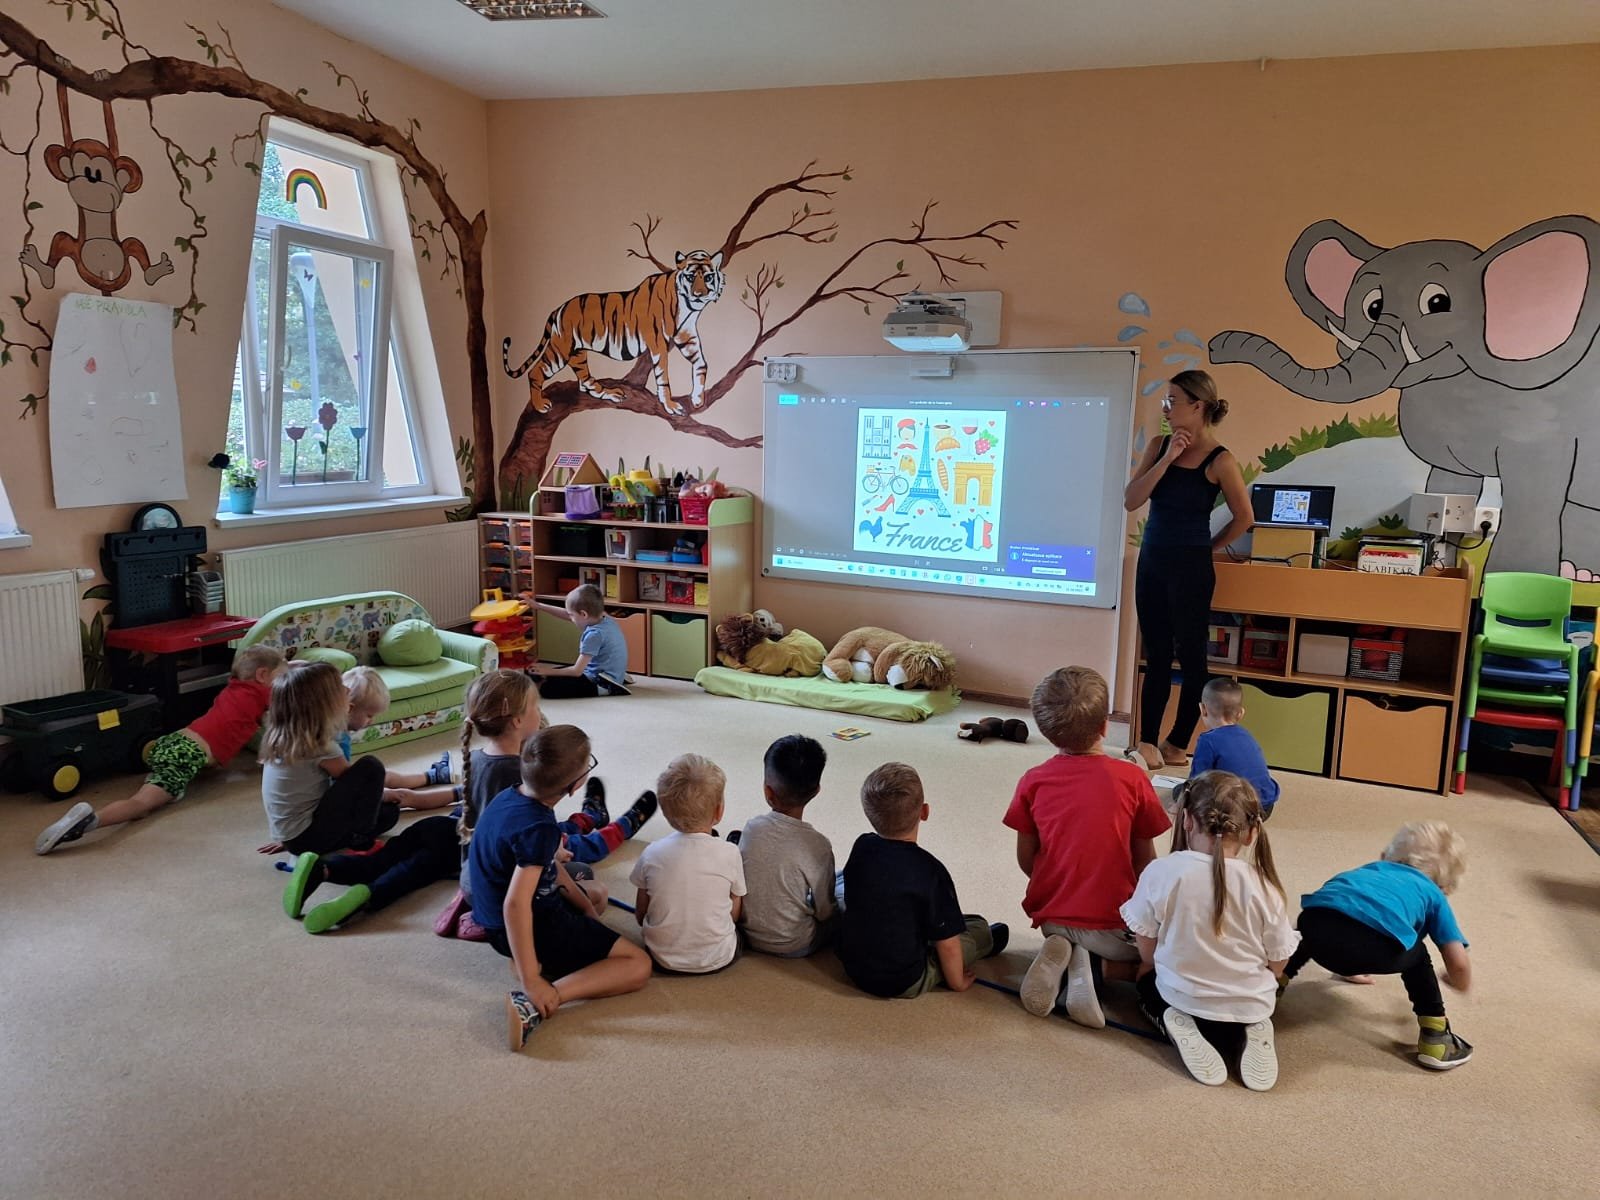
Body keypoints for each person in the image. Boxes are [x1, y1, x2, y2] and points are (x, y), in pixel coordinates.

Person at [431, 670, 658, 939]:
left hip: (476, 868)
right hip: (509, 872)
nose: (540, 713)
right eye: (536, 707)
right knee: (587, 872)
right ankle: (622, 827)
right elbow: (534, 841)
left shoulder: (477, 758)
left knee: (561, 840)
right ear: (516, 721)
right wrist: (556, 855)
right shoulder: (523, 774)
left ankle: (590, 817)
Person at [466, 723, 652, 1050]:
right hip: (526, 921)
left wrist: (585, 906)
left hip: (495, 920)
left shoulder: (511, 796)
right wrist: (531, 981)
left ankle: (531, 960)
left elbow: (551, 867)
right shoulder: (539, 829)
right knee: (638, 965)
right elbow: (516, 904)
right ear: (574, 785)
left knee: (596, 895)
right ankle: (546, 994)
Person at [1004, 666, 1172, 1026]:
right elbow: (1146, 864)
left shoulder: (1033, 781)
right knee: (1168, 960)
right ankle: (1098, 967)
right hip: (1115, 929)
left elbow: (1025, 859)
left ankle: (1065, 948)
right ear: (1105, 726)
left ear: (1046, 732)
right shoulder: (1133, 778)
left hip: (1052, 916)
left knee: (1069, 927)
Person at [1120, 772, 1298, 1090]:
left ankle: (1180, 1024)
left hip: (1182, 998)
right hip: (1250, 1003)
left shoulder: (1162, 871)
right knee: (1258, 992)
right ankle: (1254, 1027)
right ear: (1251, 833)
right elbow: (1279, 961)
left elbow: (1146, 944)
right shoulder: (1265, 887)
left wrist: (1150, 963)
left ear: (1187, 820)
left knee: (1146, 982)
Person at [35, 646, 286, 855]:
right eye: (280, 677)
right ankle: (91, 821)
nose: (283, 683)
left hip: (174, 740)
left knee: (174, 778)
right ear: (262, 675)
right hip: (187, 753)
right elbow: (284, 714)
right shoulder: (264, 693)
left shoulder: (235, 686)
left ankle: (162, 781)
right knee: (141, 806)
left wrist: (286, 665)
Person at [1123, 369, 1253, 772]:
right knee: (1157, 655)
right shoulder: (1160, 445)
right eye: (1165, 401)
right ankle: (1147, 744)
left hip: (1191, 567)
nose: (1165, 408)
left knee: (1192, 657)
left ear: (1198, 406)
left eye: (1172, 401)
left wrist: (1207, 548)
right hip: (1152, 562)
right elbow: (1131, 500)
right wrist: (1167, 460)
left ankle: (1178, 743)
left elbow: (1244, 517)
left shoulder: (1221, 459)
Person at [1281, 821, 1473, 1070]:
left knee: (1318, 925)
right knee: (1417, 954)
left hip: (1313, 926)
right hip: (1374, 951)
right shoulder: (1434, 894)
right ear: (1445, 888)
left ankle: (1272, 983)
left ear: (1385, 856)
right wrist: (1459, 982)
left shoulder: (1369, 870)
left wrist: (1348, 963)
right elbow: (1458, 963)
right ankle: (1436, 1038)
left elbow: (1349, 916)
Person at [838, 762, 1008, 998]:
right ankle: (987, 942)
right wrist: (957, 982)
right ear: (925, 812)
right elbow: (948, 945)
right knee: (976, 928)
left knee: (929, 917)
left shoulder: (862, 845)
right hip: (903, 980)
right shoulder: (931, 871)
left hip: (853, 965)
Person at [260, 660, 396, 856]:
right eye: (340, 688)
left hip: (291, 836)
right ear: (325, 704)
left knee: (388, 813)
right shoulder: (320, 745)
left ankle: (344, 837)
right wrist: (383, 795)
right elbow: (356, 788)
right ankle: (361, 841)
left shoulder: (285, 737)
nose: (347, 690)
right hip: (307, 837)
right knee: (371, 767)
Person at [630, 754, 747, 973]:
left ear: (665, 812)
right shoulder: (731, 854)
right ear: (719, 812)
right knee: (742, 933)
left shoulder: (652, 853)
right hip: (718, 958)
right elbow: (735, 913)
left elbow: (640, 914)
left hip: (661, 958)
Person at [734, 734, 838, 957]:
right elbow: (825, 911)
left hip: (748, 933)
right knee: (842, 889)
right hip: (796, 944)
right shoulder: (818, 846)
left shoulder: (752, 828)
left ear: (768, 791)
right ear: (816, 790)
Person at [340, 666, 455, 790]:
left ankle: (434, 776)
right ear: (349, 708)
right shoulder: (338, 739)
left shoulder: (338, 732)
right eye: (369, 715)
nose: (371, 721)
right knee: (393, 789)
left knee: (384, 778)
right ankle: (440, 780)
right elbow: (346, 780)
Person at [1181, 677, 1279, 816]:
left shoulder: (1207, 740)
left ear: (1203, 709)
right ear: (1241, 713)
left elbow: (1196, 782)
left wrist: (1183, 803)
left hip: (1234, 811)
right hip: (1265, 807)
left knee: (1179, 791)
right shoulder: (1247, 735)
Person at [529, 584, 630, 698]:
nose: (570, 618)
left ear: (584, 614)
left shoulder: (594, 635)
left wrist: (548, 671)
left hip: (601, 681)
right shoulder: (605, 618)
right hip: (603, 672)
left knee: (548, 688)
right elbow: (567, 614)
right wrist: (538, 606)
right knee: (546, 674)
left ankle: (609, 689)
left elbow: (576, 671)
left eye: (572, 615)